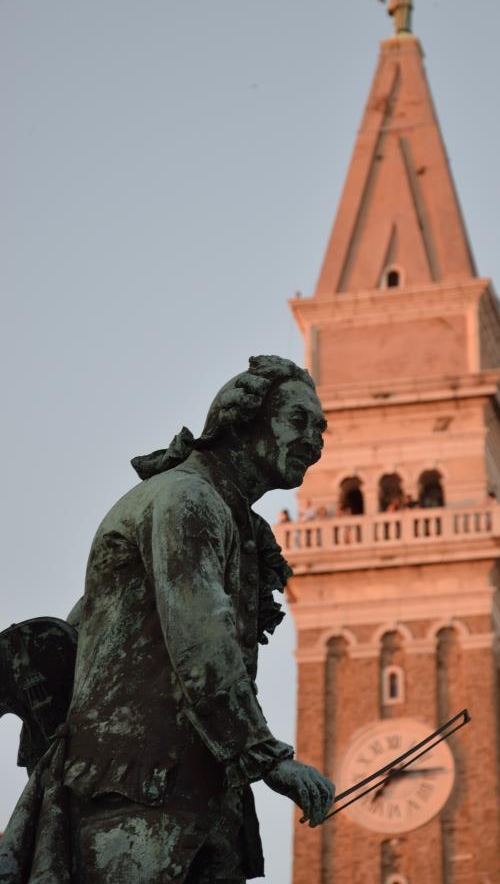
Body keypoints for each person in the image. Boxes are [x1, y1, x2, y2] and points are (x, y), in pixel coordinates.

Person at [0, 355, 335, 884]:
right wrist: (268, 758)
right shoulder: (187, 498)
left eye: (321, 429)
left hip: (189, 797)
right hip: (136, 789)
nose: (314, 441)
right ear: (243, 419)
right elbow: (201, 637)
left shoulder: (225, 513)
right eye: (298, 421)